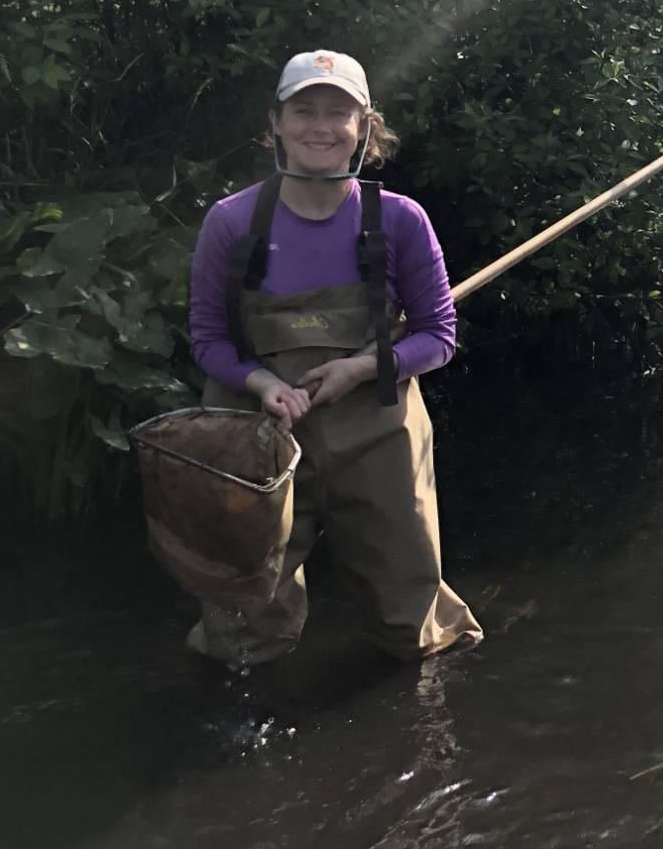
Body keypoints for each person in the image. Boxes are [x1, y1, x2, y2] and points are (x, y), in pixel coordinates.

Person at [185, 50, 483, 666]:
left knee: (410, 622)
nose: (321, 126)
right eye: (305, 110)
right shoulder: (231, 222)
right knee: (243, 627)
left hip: (375, 429)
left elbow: (438, 336)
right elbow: (209, 340)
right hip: (259, 435)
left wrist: (361, 367)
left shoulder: (400, 220)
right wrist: (261, 379)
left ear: (364, 129)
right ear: (276, 123)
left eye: (339, 113)